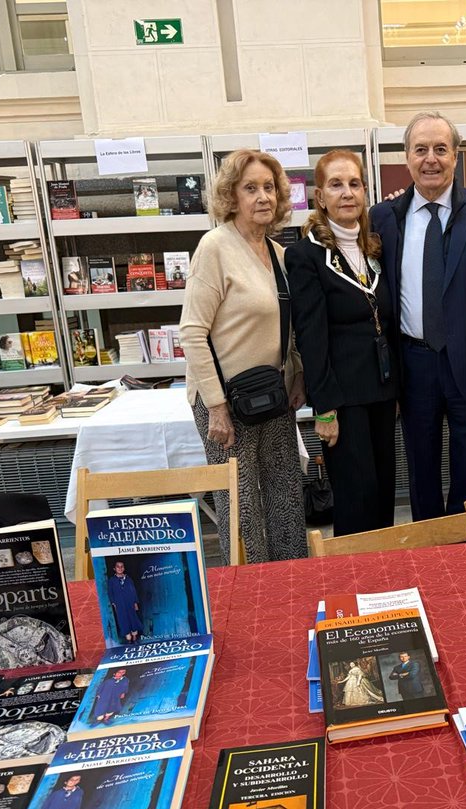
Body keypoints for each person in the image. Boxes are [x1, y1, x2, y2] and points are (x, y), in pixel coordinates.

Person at [370, 111, 466, 520]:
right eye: (421, 149)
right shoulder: (384, 219)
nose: (430, 158)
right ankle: (428, 551)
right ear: (407, 158)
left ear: (455, 156)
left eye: (440, 149)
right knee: (421, 468)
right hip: (412, 362)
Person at [180, 148, 308, 562]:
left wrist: (298, 376)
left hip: (273, 396)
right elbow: (192, 332)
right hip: (226, 405)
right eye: (250, 188)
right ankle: (253, 597)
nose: (263, 197)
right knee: (243, 511)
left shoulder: (279, 254)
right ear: (231, 196)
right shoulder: (215, 247)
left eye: (269, 187)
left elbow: (287, 329)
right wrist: (216, 406)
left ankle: (292, 585)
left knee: (286, 499)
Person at [286, 150, 398, 536]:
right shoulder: (305, 256)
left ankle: (385, 584)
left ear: (365, 191)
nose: (347, 193)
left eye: (354, 183)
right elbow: (311, 336)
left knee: (384, 494)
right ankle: (352, 585)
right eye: (336, 184)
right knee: (356, 499)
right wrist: (325, 409)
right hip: (343, 400)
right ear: (320, 196)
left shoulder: (374, 249)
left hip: (382, 393)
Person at [105, 560, 143, 643]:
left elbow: (133, 591)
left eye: (122, 566)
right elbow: (110, 593)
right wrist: (114, 603)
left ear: (124, 568)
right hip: (120, 603)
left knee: (133, 618)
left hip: (130, 602)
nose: (120, 568)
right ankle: (128, 639)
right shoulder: (112, 580)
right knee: (123, 620)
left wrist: (135, 602)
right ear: (114, 568)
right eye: (118, 566)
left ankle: (134, 637)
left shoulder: (128, 579)